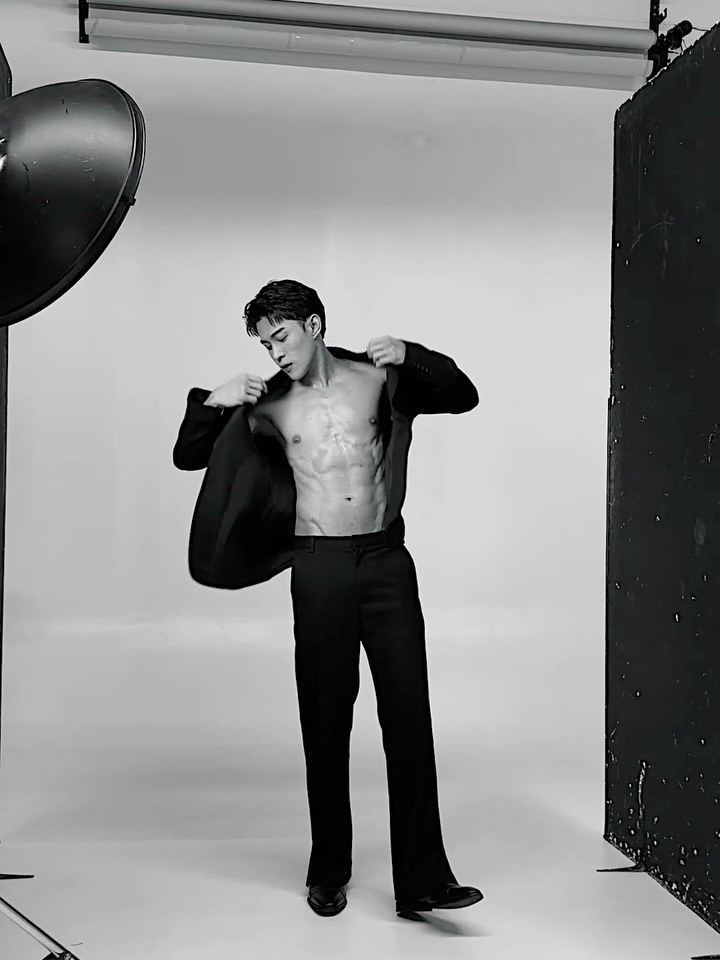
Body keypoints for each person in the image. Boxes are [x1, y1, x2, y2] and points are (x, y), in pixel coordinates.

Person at [173, 279, 482, 920]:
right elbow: (188, 455)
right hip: (320, 567)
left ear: (313, 324)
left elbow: (463, 395)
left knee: (408, 717)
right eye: (265, 343)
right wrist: (211, 400)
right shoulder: (268, 405)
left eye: (281, 336)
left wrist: (412, 354)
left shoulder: (378, 378)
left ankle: (423, 881)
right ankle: (328, 870)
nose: (275, 352)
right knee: (325, 718)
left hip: (386, 562)